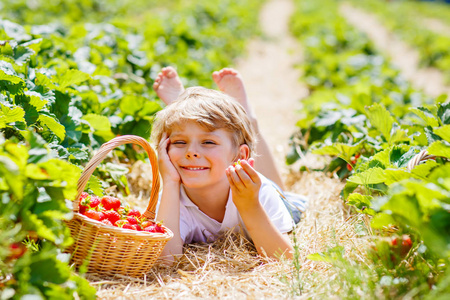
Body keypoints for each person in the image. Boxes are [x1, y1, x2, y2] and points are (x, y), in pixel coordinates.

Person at [152, 67, 307, 263]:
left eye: (208, 142)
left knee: (277, 189)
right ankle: (185, 106)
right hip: (224, 169)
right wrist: (170, 182)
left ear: (239, 155)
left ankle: (250, 122)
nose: (191, 152)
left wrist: (250, 207)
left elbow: (284, 258)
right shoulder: (172, 199)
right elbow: (164, 261)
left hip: (265, 196)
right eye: (179, 142)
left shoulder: (257, 192)